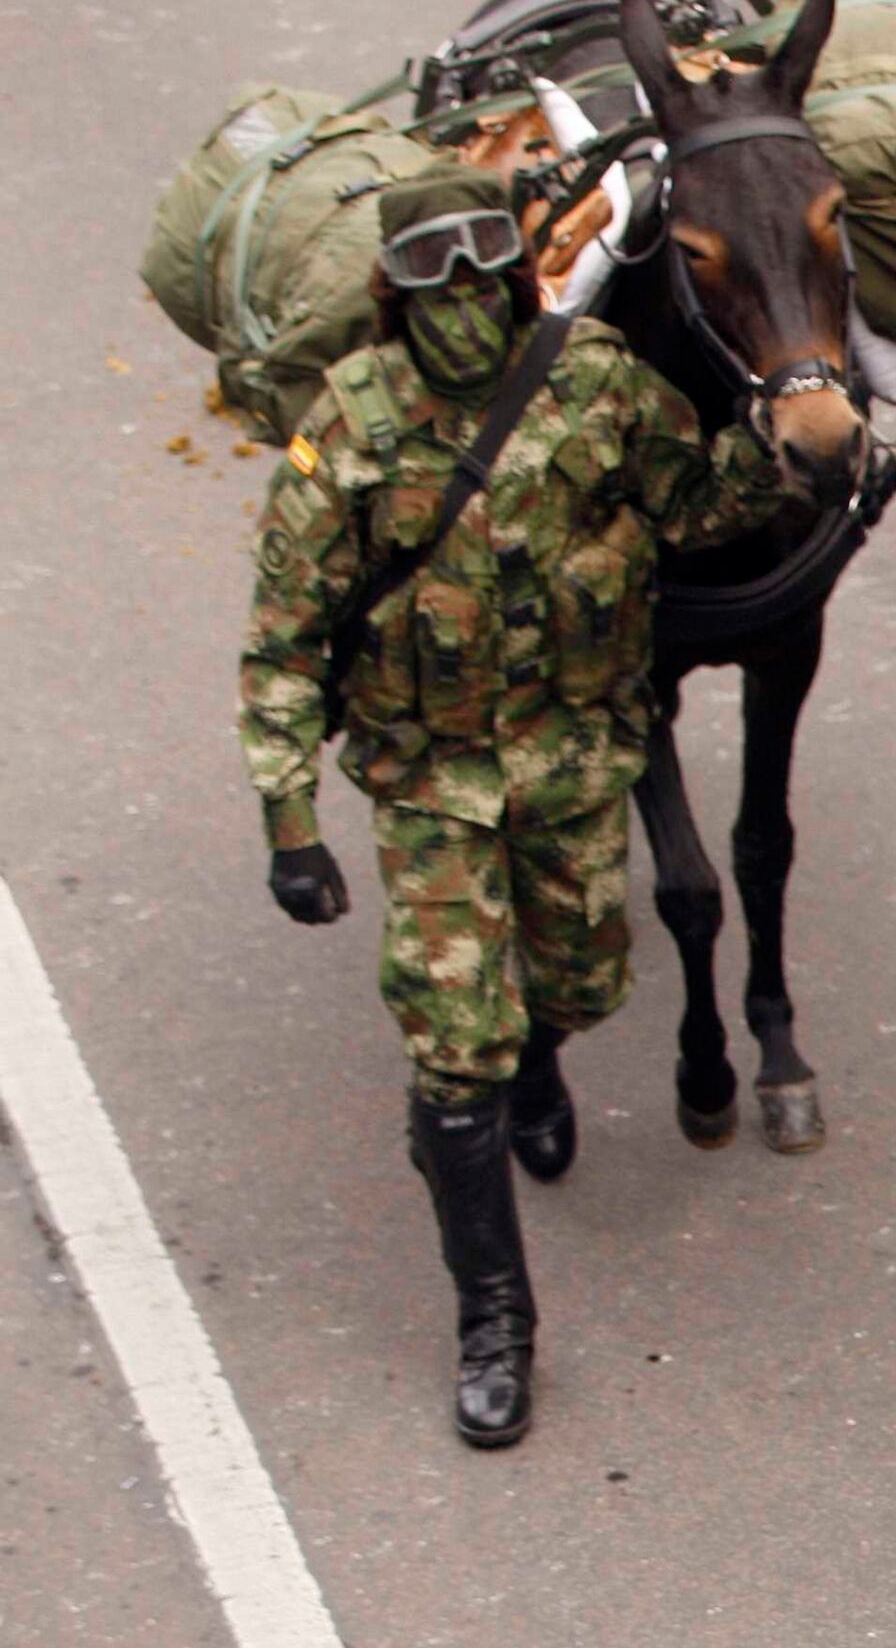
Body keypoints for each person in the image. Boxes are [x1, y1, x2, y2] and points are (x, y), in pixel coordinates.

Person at [240, 166, 800, 1446]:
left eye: (479, 282)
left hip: (571, 760)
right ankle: (496, 1316)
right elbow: (281, 641)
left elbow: (689, 504)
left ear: (509, 280)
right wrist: (288, 824)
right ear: (397, 301)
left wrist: (790, 455)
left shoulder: (595, 382)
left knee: (582, 981)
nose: (458, 313)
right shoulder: (352, 427)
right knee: (456, 1051)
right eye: (429, 291)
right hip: (432, 783)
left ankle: (535, 1054)